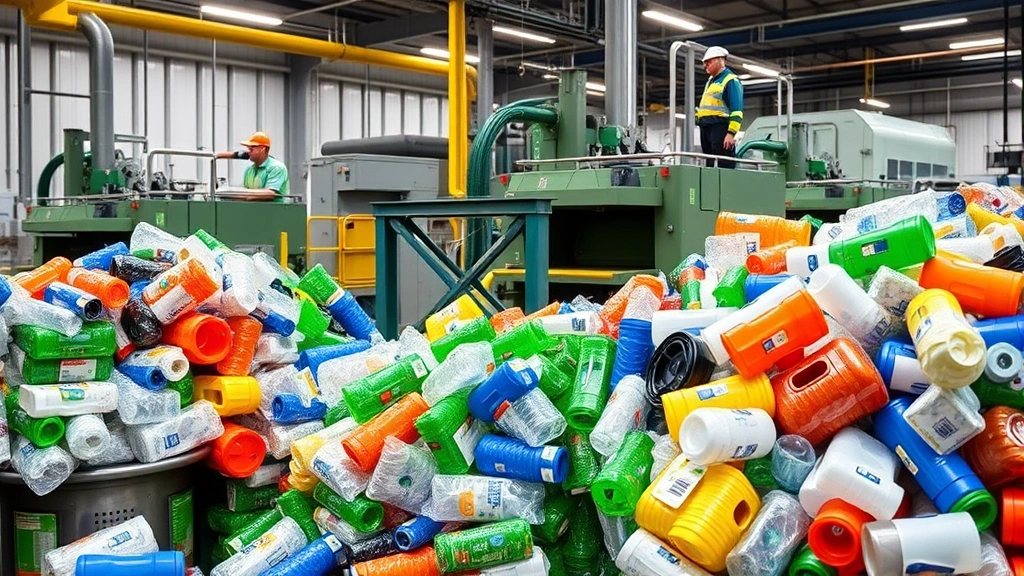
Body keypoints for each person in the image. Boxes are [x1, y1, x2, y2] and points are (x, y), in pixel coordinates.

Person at [696, 46, 744, 169]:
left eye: (708, 62)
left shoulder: (731, 80)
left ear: (720, 60)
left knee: (724, 164)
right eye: (704, 63)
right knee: (710, 164)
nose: (705, 66)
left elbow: (737, 110)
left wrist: (731, 133)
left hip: (720, 128)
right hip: (706, 128)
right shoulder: (710, 81)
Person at [216, 131, 289, 201]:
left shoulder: (276, 168)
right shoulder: (249, 170)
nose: (248, 152)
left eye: (252, 148)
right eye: (248, 148)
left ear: (262, 149)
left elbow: (269, 194)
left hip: (275, 209)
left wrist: (233, 192)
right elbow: (247, 196)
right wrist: (227, 194)